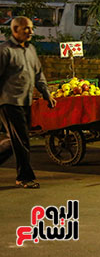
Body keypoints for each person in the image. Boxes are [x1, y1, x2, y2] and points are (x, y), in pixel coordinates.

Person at [0, 16, 56, 189]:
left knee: (15, 141)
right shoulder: (5, 51)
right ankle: (25, 177)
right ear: (15, 30)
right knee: (22, 140)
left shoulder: (30, 49)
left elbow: (38, 74)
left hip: (25, 101)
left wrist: (47, 94)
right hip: (9, 102)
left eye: (31, 28)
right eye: (26, 28)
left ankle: (23, 174)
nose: (31, 32)